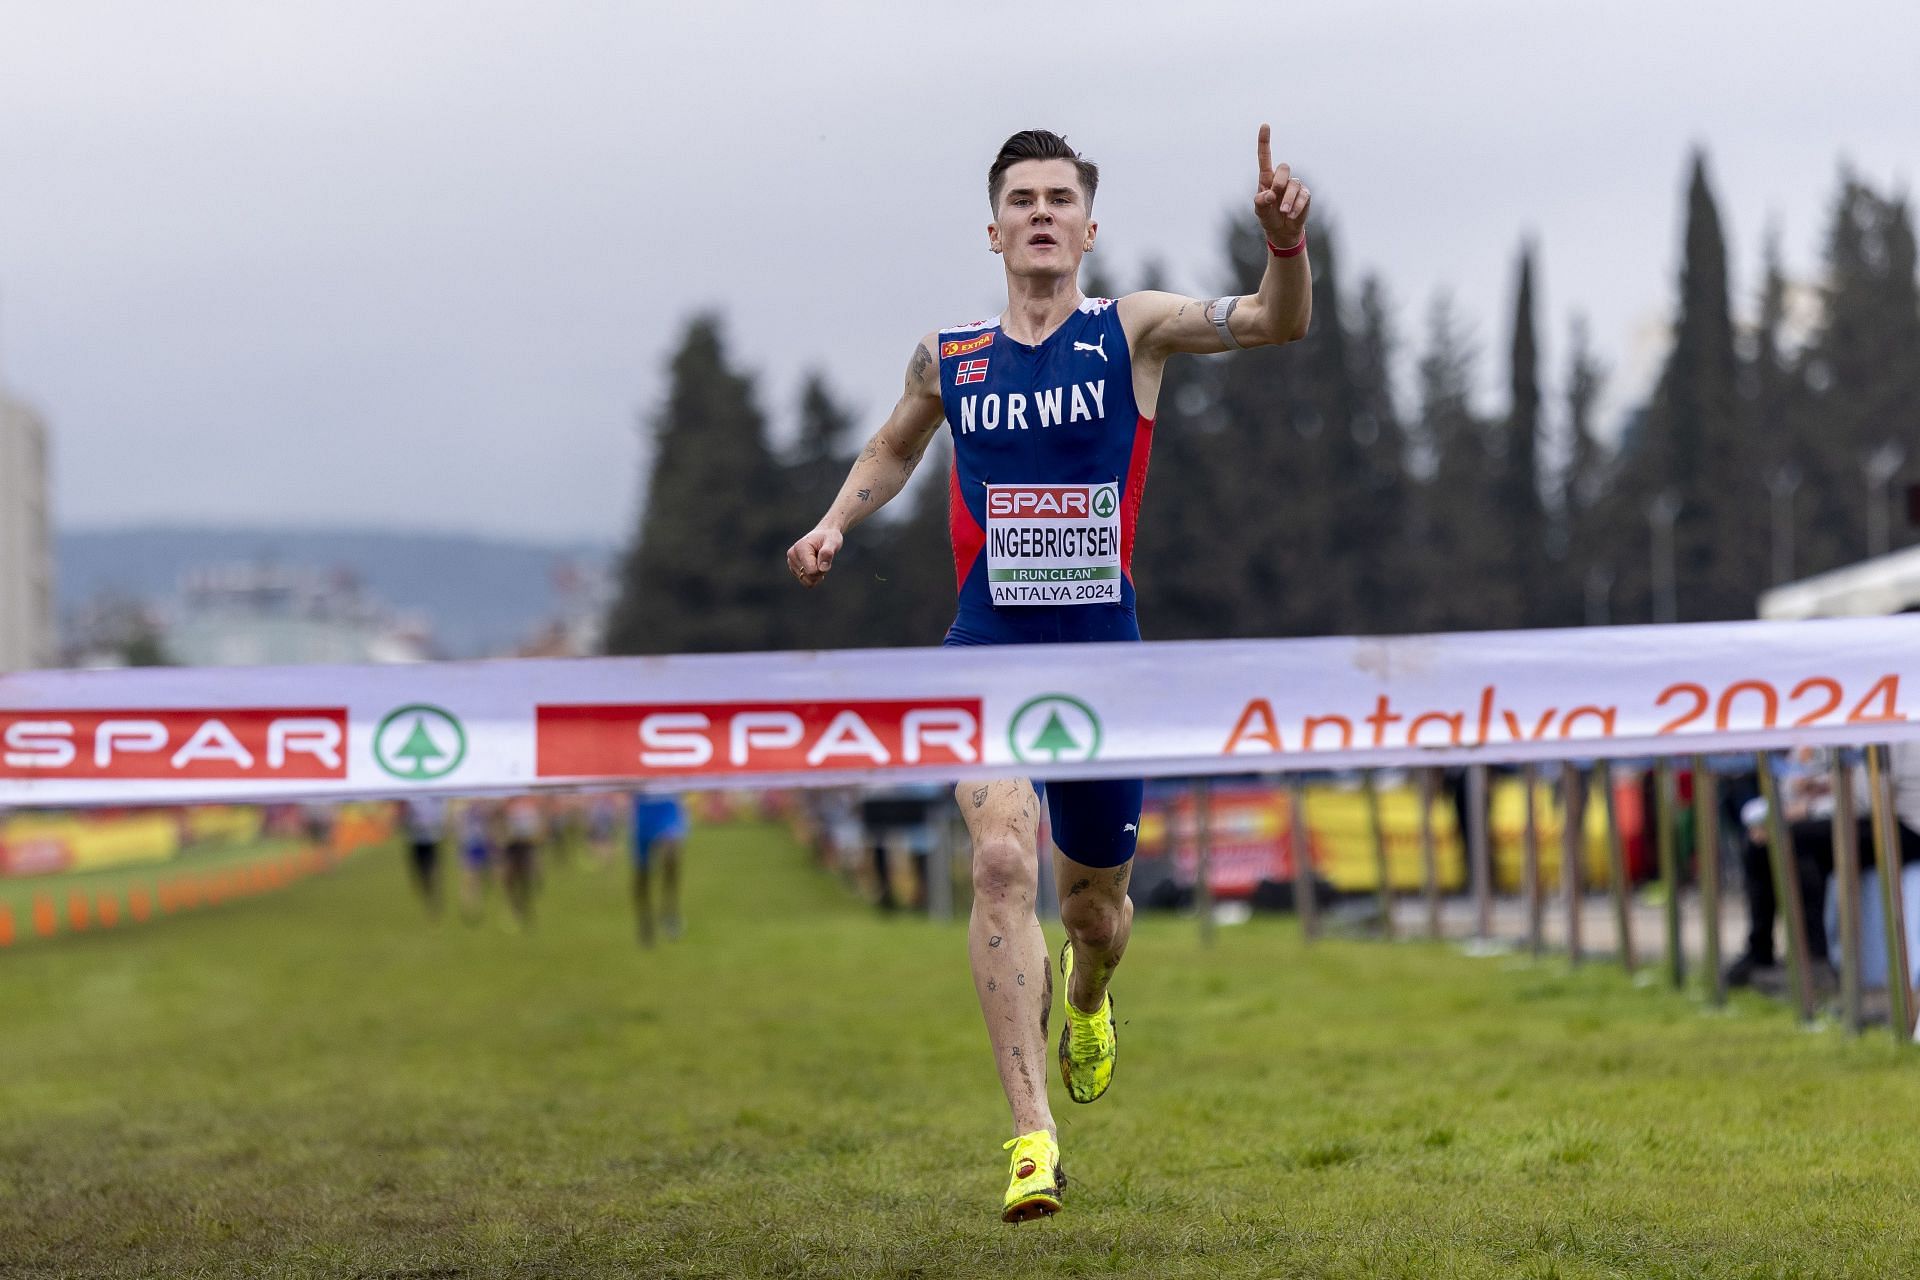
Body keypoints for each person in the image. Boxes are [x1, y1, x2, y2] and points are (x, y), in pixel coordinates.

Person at [786, 127, 1312, 1220]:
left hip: (1102, 662)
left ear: (1086, 225)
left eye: (1058, 198)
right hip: (987, 649)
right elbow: (892, 447)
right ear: (993, 228)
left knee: (1093, 917)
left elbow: (1269, 323)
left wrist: (1284, 247)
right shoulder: (952, 356)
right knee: (996, 861)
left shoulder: (1135, 331)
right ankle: (1032, 1135)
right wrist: (835, 521)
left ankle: (1091, 997)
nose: (1039, 212)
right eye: (1020, 198)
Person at [630, 790, 688, 946]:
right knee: (643, 875)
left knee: (671, 856)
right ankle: (645, 918)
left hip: (668, 806)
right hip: (643, 809)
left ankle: (670, 911)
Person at [400, 795, 447, 918]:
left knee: (434, 870)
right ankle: (429, 896)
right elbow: (402, 815)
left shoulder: (433, 795)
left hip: (432, 837)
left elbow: (442, 808)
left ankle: (435, 899)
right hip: (415, 839)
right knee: (422, 874)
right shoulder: (410, 796)